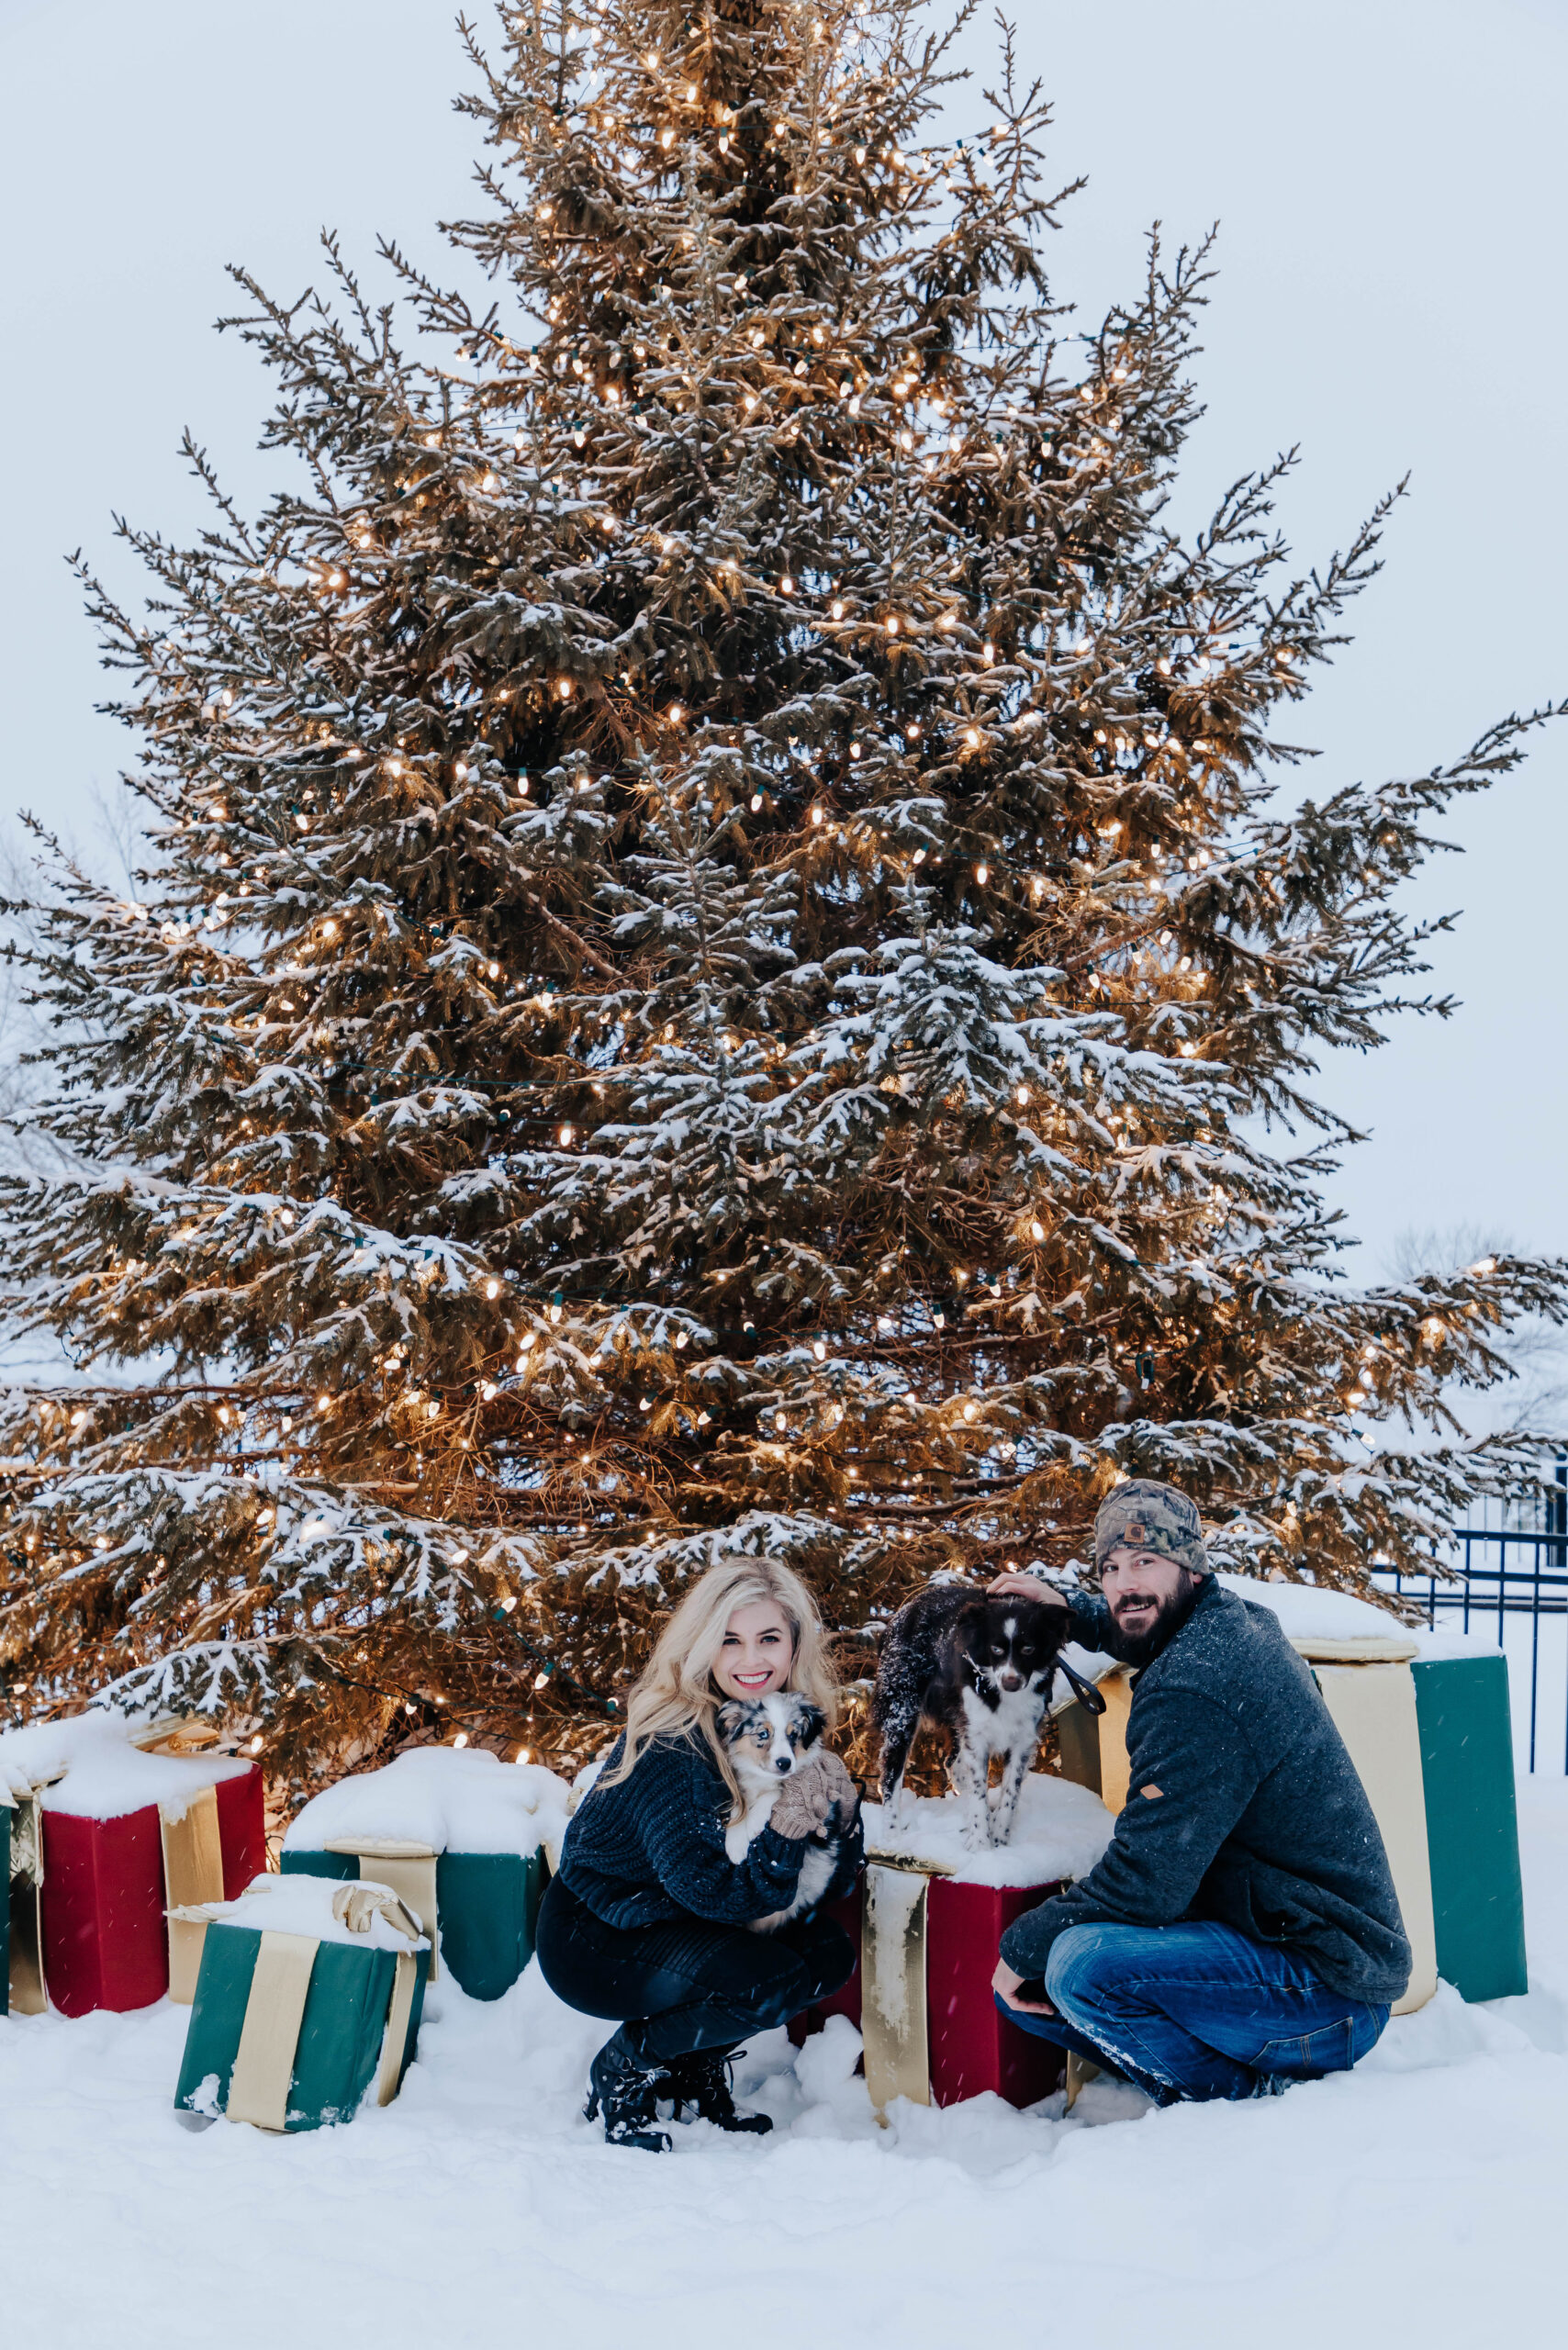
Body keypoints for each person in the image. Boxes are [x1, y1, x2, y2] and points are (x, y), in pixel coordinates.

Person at [987, 1478, 1412, 2104]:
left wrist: (1019, 1945)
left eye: (1146, 1561)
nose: (1126, 1583)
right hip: (1281, 1938)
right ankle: (1207, 2061)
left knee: (1079, 1966)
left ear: (1190, 1567)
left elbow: (1144, 1885)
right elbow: (1140, 1619)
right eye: (1111, 1567)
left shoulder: (1198, 1688)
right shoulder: (1223, 1623)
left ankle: (1229, 2102)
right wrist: (1068, 1613)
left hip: (1327, 1992)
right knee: (1043, 1988)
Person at [537, 1555, 862, 2149]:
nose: (751, 1660)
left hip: (679, 1916)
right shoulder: (676, 1740)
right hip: (598, 1935)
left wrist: (839, 1815)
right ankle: (624, 2070)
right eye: (730, 1641)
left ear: (794, 1645)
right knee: (765, 1981)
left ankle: (692, 2067)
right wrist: (790, 1826)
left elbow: (824, 1885)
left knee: (824, 1953)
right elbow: (717, 1894)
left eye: (769, 1638)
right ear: (705, 1647)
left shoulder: (780, 1725)